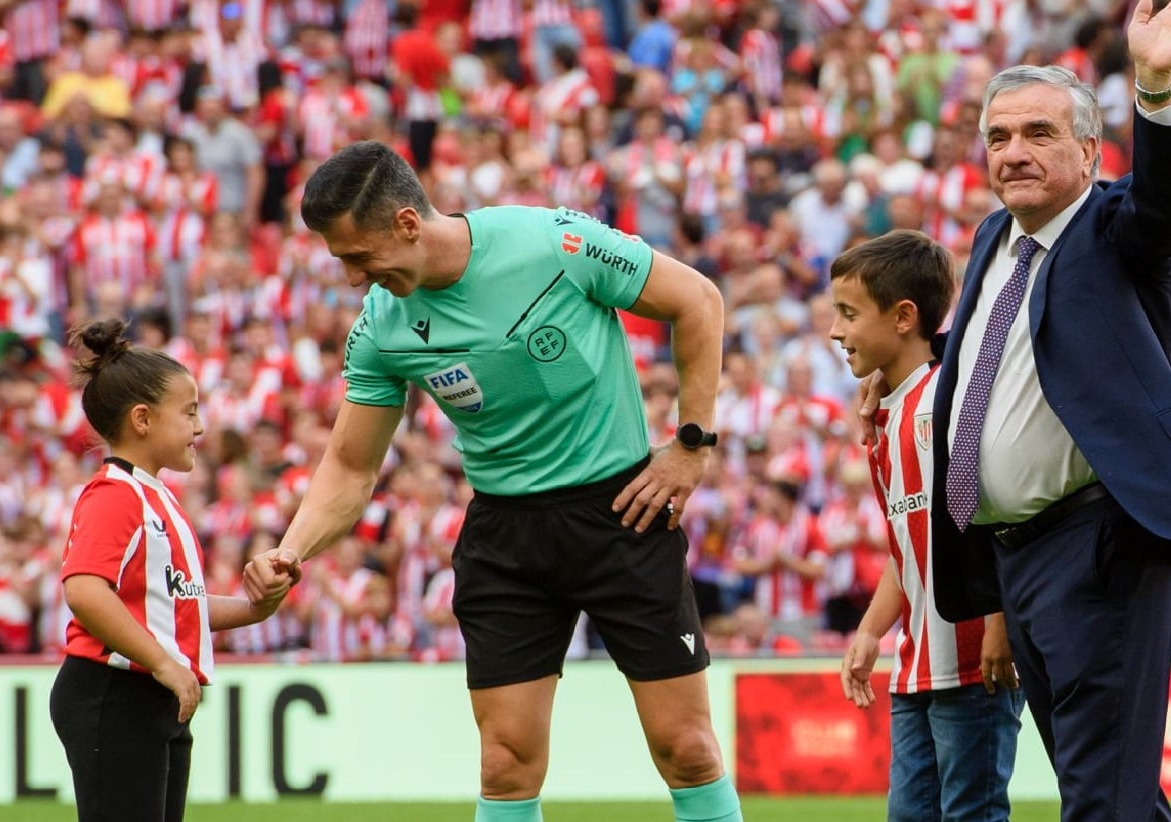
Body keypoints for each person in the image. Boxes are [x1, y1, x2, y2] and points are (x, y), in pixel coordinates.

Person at [242, 140, 742, 822]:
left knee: (686, 747)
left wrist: (691, 444)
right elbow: (351, 466)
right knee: (505, 764)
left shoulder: (553, 242)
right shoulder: (382, 329)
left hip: (621, 512)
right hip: (506, 536)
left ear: (408, 225)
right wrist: (291, 551)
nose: (355, 278)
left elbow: (699, 300)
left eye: (359, 257)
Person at [857, 2, 1171, 820]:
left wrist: (1157, 84)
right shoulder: (996, 237)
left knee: (1102, 792)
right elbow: (988, 365)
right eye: (999, 137)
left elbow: (1169, 198)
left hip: (1097, 538)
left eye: (1038, 133)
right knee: (1104, 784)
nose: (1014, 152)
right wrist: (893, 376)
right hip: (1015, 554)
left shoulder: (1115, 229)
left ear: (1088, 151)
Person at [49, 318, 295, 822]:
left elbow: (174, 607)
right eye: (189, 412)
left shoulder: (152, 496)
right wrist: (163, 664)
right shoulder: (115, 495)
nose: (200, 427)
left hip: (150, 694)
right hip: (115, 691)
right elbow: (85, 591)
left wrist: (253, 608)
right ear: (142, 419)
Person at [832, 230, 1024, 821]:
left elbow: (999, 517)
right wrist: (870, 632)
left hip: (973, 663)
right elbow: (911, 546)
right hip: (915, 664)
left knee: (973, 813)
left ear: (904, 317)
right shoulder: (884, 417)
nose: (835, 332)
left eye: (848, 314)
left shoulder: (950, 401)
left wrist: (998, 623)